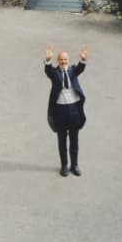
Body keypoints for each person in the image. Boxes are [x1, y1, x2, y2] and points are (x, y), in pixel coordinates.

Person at [44, 44, 88, 177]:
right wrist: (48, 60)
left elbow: (81, 68)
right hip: (60, 111)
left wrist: (83, 59)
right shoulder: (55, 73)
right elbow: (48, 71)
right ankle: (64, 165)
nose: (63, 62)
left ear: (69, 60)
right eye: (61, 60)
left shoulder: (73, 71)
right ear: (58, 61)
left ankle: (74, 165)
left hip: (74, 110)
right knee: (62, 140)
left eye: (65, 59)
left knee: (74, 140)